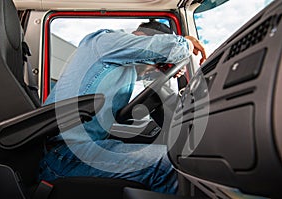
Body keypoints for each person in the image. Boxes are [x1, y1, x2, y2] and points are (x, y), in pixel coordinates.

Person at [39, 20, 206, 194]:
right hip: (64, 154)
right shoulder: (104, 40)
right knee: (169, 164)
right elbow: (162, 47)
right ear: (141, 37)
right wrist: (185, 42)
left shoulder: (116, 65)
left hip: (77, 148)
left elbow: (139, 67)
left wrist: (157, 69)